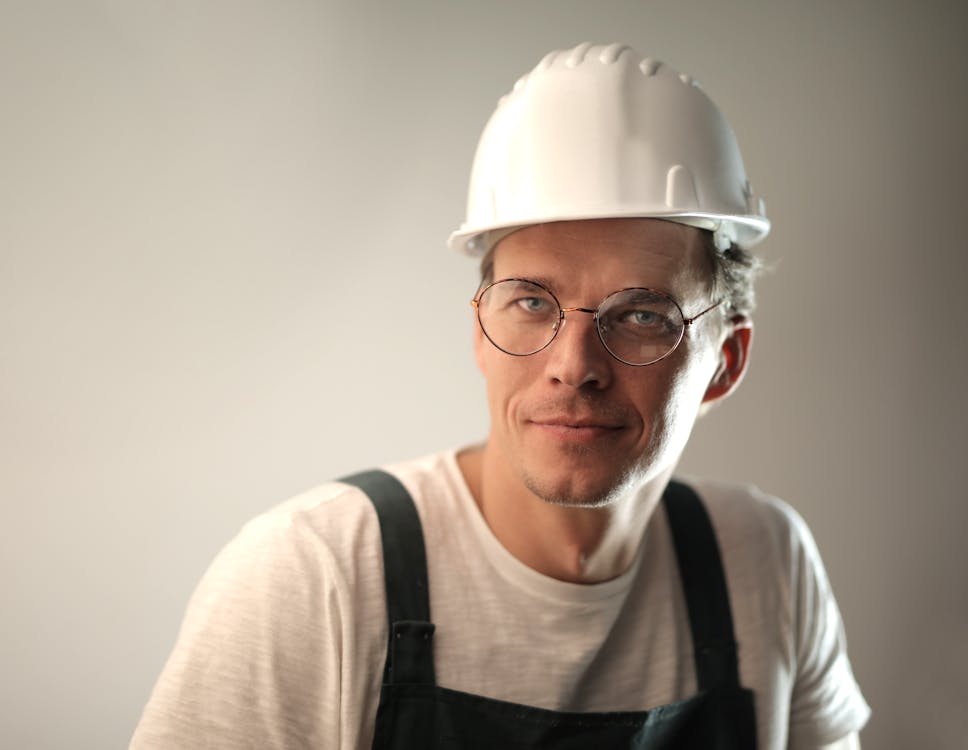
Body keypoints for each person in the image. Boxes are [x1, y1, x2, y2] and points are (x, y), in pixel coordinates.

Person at [131, 42, 870, 749]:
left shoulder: (764, 563)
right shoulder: (314, 576)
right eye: (532, 302)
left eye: (642, 315)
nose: (574, 366)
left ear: (726, 362)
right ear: (481, 334)